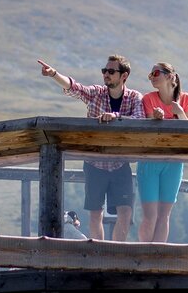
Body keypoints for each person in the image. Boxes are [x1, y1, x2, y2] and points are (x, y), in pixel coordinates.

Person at [38, 55, 144, 241]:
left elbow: (139, 118)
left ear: (124, 76)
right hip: (94, 163)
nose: (106, 75)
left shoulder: (134, 97)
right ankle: (100, 255)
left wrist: (115, 116)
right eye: (104, 71)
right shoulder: (97, 93)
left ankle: (116, 256)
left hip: (120, 163)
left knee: (126, 213)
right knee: (96, 214)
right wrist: (53, 74)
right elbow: (75, 88)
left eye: (111, 71)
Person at [137, 62, 188, 242]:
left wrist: (180, 114)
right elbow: (146, 129)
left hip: (174, 161)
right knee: (150, 216)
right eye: (150, 75)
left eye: (156, 73)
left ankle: (158, 257)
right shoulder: (148, 99)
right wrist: (154, 119)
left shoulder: (185, 100)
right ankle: (143, 257)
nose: (152, 77)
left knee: (164, 216)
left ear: (171, 76)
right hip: (150, 161)